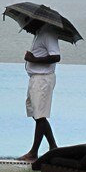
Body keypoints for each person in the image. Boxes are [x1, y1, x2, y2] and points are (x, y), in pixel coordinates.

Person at [17, 18, 60, 163]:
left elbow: (56, 56)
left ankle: (33, 152)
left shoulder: (48, 33)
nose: (26, 28)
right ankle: (53, 147)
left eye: (27, 25)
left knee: (40, 115)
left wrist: (33, 59)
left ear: (36, 21)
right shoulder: (40, 33)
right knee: (37, 115)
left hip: (43, 79)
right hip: (35, 78)